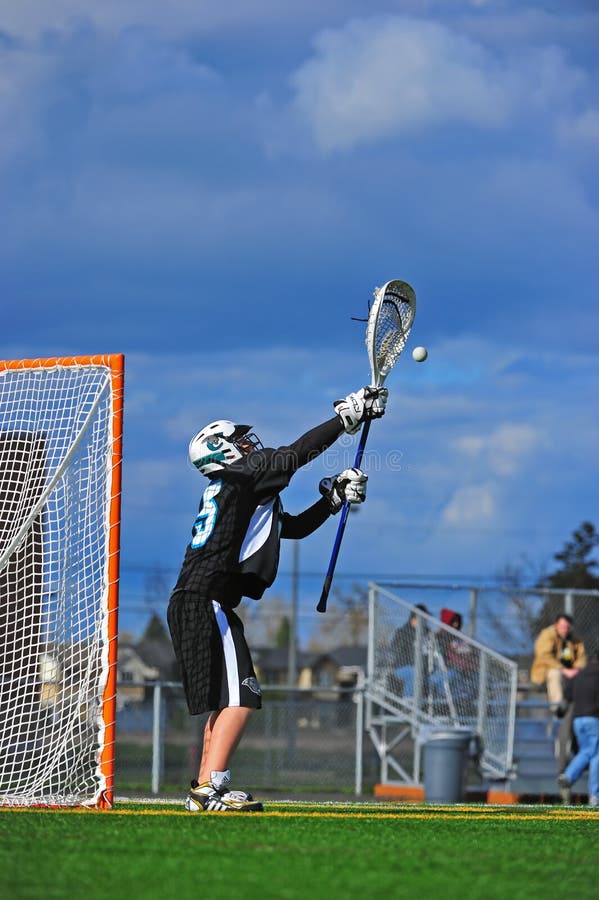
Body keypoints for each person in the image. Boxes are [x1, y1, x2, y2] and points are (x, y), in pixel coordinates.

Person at [167, 385, 387, 813]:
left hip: (197, 600)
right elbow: (295, 453)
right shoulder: (242, 476)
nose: (251, 445)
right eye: (240, 441)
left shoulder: (237, 490)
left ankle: (203, 787)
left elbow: (295, 528)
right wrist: (347, 418)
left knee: (225, 700)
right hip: (206, 600)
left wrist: (333, 498)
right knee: (244, 695)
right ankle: (212, 789)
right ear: (223, 451)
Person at [557, 650, 599, 807]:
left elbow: (567, 696)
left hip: (577, 720)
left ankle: (568, 775)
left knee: (587, 751)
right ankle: (595, 796)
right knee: (596, 755)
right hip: (593, 719)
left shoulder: (579, 675)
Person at [530, 614, 587, 711]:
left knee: (584, 675)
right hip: (546, 672)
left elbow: (581, 657)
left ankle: (582, 709)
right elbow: (543, 656)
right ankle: (558, 709)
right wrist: (563, 670)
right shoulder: (547, 635)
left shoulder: (573, 638)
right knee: (555, 674)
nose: (565, 630)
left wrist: (576, 669)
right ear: (556, 625)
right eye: (562, 627)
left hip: (570, 672)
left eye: (567, 627)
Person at [430, 609, 478, 704]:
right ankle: (443, 704)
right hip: (448, 670)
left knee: (478, 678)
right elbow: (440, 658)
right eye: (453, 622)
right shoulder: (439, 637)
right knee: (451, 676)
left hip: (466, 671)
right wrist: (458, 665)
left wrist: (468, 665)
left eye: (457, 622)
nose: (456, 624)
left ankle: (467, 703)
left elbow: (472, 655)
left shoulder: (460, 638)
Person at [391, 604, 430, 698]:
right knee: (415, 673)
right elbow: (397, 654)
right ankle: (408, 704)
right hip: (402, 668)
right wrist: (415, 665)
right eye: (423, 618)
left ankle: (441, 706)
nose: (426, 621)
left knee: (445, 676)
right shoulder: (403, 632)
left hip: (425, 670)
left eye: (426, 618)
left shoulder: (428, 633)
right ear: (414, 618)